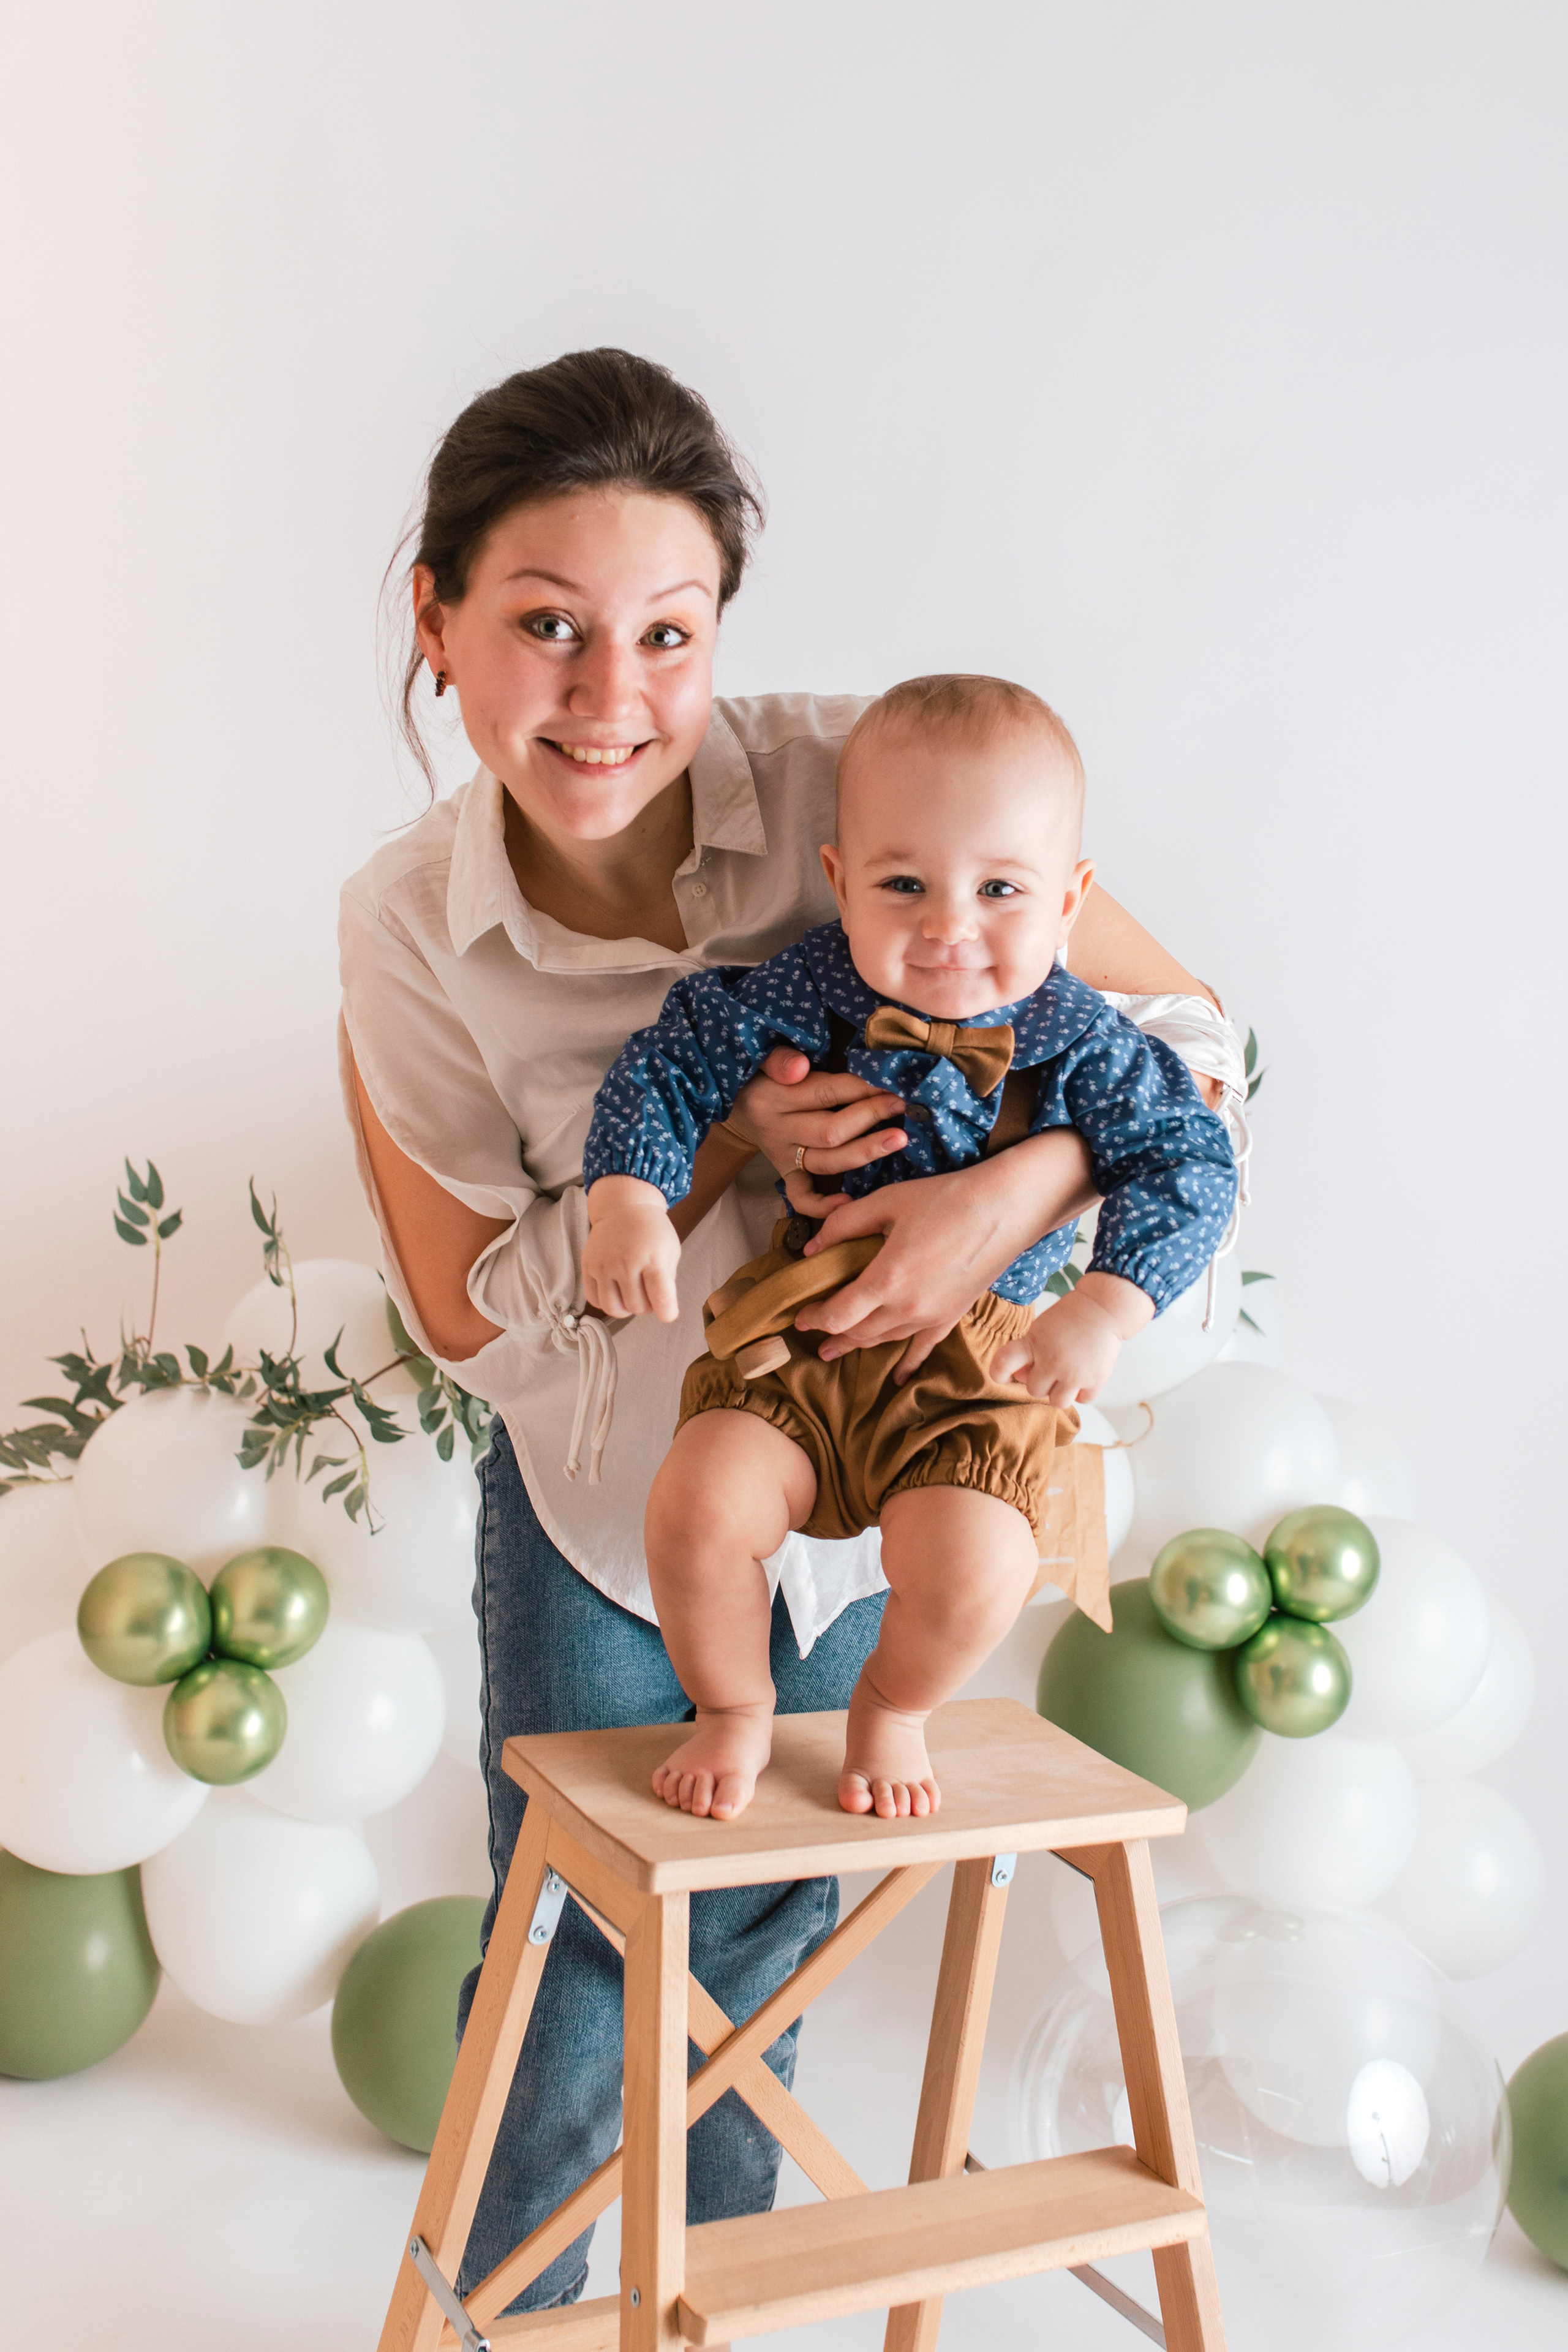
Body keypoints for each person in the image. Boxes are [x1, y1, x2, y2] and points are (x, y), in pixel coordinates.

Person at [339, 347, 1251, 2316]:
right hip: (628, 1489)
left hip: (915, 1453)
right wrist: (693, 1162)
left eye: (669, 633)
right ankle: (512, 2317)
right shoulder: (407, 921)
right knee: (581, 1959)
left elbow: (1196, 1056)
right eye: (547, 626)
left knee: (765, 1941)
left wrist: (1013, 1198)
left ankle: (721, 2307)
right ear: (438, 618)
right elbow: (464, 1307)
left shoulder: (882, 771)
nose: (613, 696)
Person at [580, 673, 1237, 1823]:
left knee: (980, 1562)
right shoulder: (813, 984)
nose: (947, 926)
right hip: (806, 1332)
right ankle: (732, 1708)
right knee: (696, 1506)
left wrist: (1105, 1306)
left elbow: (1190, 1158)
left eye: (1000, 889)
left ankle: (892, 1709)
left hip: (982, 1365)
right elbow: (673, 1058)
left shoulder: (1086, 1041)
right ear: (841, 880)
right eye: (903, 885)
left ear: (1070, 900)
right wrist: (629, 1199)